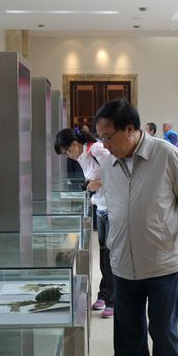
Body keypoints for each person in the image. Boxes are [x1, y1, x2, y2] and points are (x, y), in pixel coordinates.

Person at [94, 99, 178, 356]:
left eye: (108, 137)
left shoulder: (167, 155)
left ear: (129, 129)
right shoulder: (108, 165)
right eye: (101, 138)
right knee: (128, 339)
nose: (104, 145)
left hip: (162, 267)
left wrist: (174, 240)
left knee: (163, 335)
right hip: (123, 266)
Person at [54, 128, 114, 318]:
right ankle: (104, 294)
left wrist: (100, 183)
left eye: (67, 151)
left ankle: (113, 300)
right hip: (100, 208)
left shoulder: (96, 150)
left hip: (113, 209)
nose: (68, 156)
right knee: (104, 256)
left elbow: (119, 170)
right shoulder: (82, 157)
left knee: (111, 257)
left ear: (74, 144)